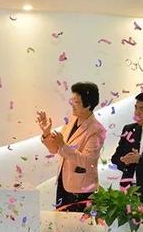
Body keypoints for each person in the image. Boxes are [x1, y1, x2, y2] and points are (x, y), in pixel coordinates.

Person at [37, 82, 106, 212]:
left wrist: (63, 145)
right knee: (61, 222)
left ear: (88, 105)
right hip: (64, 183)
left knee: (77, 224)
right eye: (72, 101)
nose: (72, 105)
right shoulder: (72, 120)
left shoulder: (97, 130)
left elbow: (88, 161)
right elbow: (55, 149)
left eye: (76, 102)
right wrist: (46, 133)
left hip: (82, 190)